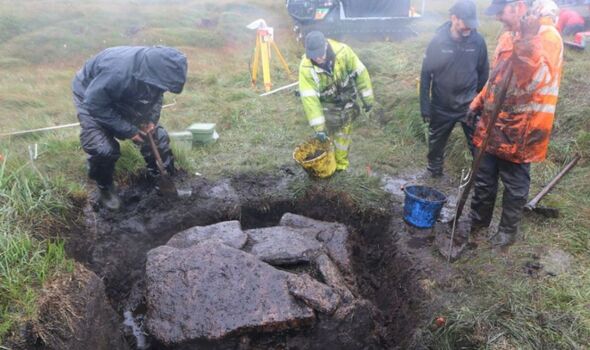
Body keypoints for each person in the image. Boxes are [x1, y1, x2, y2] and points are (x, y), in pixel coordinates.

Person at [467, 0, 563, 247]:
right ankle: (477, 223)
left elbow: (530, 81)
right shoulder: (509, 35)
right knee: (484, 177)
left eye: (501, 11)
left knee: (514, 185)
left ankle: (506, 233)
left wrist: (528, 39)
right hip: (492, 124)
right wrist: (478, 101)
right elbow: (497, 77)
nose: (498, 17)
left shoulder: (548, 38)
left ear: (519, 5)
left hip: (522, 129)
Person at [72, 46, 188, 210]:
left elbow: (156, 95)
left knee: (157, 137)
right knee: (103, 149)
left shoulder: (155, 75)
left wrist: (150, 120)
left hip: (127, 93)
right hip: (91, 96)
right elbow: (95, 104)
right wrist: (129, 130)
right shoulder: (116, 73)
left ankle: (162, 182)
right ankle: (105, 188)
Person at [420, 0, 489, 178]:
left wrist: (477, 100)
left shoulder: (478, 41)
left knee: (478, 145)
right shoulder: (438, 41)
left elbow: (483, 72)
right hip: (442, 104)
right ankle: (434, 171)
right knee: (435, 144)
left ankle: (478, 179)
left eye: (472, 24)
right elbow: (426, 74)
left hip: (469, 106)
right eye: (466, 23)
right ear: (454, 18)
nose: (469, 28)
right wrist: (425, 106)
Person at [298, 31, 374, 172]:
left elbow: (361, 74)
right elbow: (310, 99)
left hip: (346, 97)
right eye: (314, 55)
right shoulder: (306, 68)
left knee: (343, 133)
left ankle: (341, 166)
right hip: (327, 103)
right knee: (329, 134)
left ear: (326, 46)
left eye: (320, 54)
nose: (318, 58)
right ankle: (329, 163)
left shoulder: (344, 52)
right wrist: (319, 128)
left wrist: (367, 99)